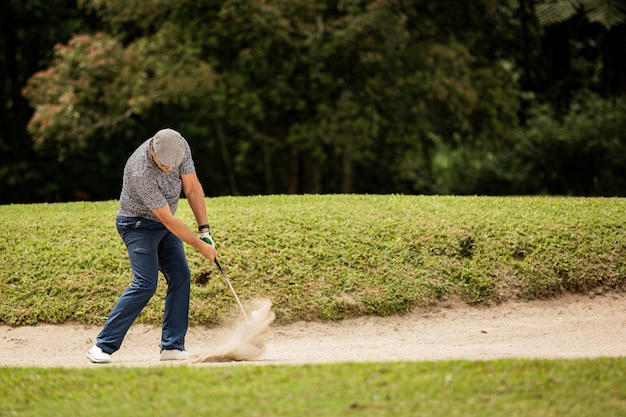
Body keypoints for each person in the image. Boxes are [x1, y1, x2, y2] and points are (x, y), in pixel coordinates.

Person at [87, 128, 217, 363]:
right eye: (163, 165)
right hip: (136, 225)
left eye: (173, 165)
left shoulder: (180, 147)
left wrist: (205, 231)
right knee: (145, 284)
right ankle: (102, 346)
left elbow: (192, 187)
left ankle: (172, 346)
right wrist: (200, 246)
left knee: (180, 275)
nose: (169, 169)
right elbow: (167, 219)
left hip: (164, 225)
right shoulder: (140, 170)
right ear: (152, 151)